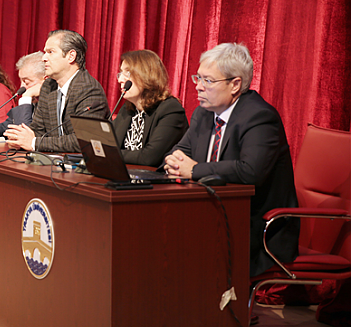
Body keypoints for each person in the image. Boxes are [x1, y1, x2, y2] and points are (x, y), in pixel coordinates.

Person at [163, 43, 299, 277]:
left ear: (235, 84)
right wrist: (173, 161)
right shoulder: (203, 113)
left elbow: (250, 171)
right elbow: (179, 151)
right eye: (198, 78)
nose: (198, 86)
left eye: (208, 80)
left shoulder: (259, 117)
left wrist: (194, 170)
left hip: (254, 226)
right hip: (210, 214)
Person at [4, 29, 109, 153]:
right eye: (45, 52)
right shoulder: (49, 86)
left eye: (50, 52)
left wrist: (33, 142)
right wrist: (19, 138)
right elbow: (38, 130)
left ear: (71, 56)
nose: (44, 58)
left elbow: (84, 140)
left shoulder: (88, 89)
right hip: (52, 160)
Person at [113, 50, 188, 166]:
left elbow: (149, 158)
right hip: (127, 173)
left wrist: (111, 154)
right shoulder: (128, 108)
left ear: (145, 76)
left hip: (156, 176)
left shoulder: (170, 109)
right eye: (120, 73)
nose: (120, 80)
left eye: (127, 73)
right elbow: (110, 145)